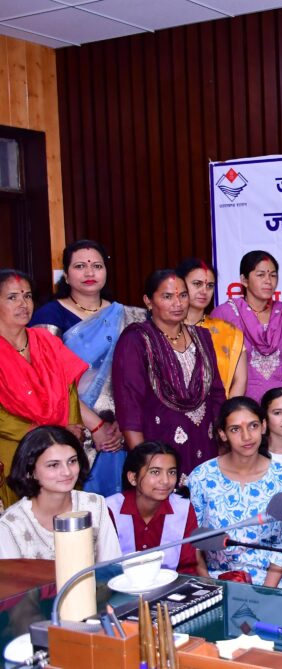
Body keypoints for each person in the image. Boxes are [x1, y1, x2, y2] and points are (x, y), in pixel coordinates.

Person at [30, 240, 144, 495]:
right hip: (74, 426)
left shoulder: (127, 316)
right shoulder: (49, 316)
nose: (90, 272)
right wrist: (96, 425)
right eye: (80, 266)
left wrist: (125, 422)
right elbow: (47, 379)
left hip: (124, 429)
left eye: (97, 266)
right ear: (66, 275)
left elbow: (139, 375)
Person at [112, 270, 226, 477]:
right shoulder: (136, 340)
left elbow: (217, 394)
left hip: (206, 444)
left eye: (183, 295)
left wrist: (224, 447)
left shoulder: (202, 337)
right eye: (167, 296)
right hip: (159, 448)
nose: (178, 303)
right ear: (148, 301)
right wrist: (144, 464)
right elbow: (129, 405)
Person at [188, 397, 282, 586]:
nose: (246, 436)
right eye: (235, 429)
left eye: (253, 426)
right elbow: (193, 540)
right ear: (222, 434)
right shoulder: (202, 476)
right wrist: (209, 585)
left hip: (271, 585)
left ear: (263, 426)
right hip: (217, 583)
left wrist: (266, 592)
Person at [0, 425, 120, 560]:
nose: (67, 472)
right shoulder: (10, 526)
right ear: (30, 471)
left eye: (72, 461)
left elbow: (112, 565)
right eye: (53, 465)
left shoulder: (95, 505)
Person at [211, 251, 282, 401]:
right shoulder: (225, 314)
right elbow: (214, 368)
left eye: (273, 275)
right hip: (244, 406)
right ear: (244, 280)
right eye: (261, 275)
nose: (268, 281)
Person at [105, 441, 198, 574]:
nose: (165, 481)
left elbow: (188, 568)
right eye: (155, 472)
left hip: (171, 585)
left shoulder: (183, 509)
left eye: (171, 472)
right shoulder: (109, 510)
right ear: (133, 477)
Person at [176, 258, 247, 398]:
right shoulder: (165, 329)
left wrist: (227, 411)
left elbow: (240, 381)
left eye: (209, 286)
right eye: (197, 284)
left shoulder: (229, 332)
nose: (204, 291)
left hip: (221, 409)